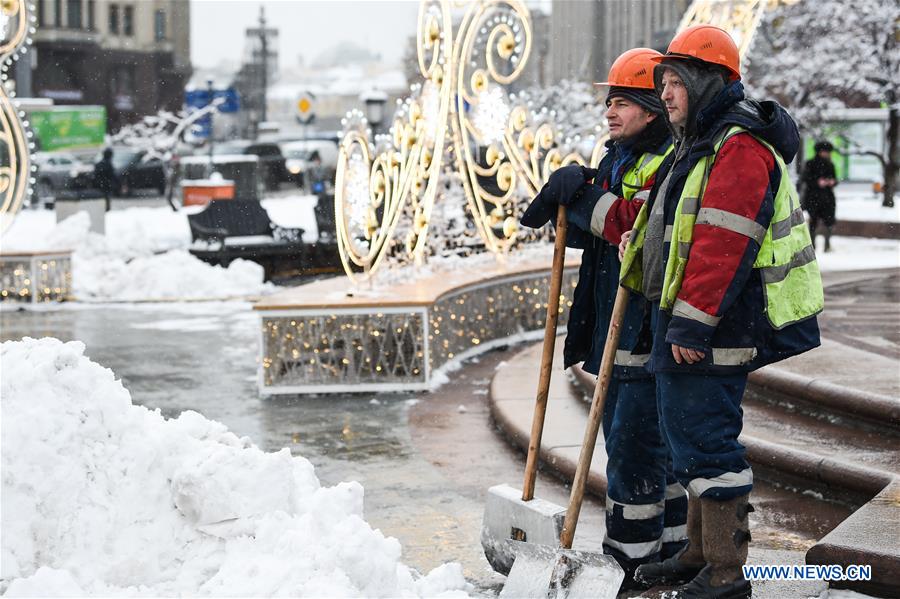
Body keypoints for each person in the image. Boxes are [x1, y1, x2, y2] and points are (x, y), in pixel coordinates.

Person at [613, 25, 824, 599]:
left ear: (707, 83)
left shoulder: (738, 145)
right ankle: (700, 554)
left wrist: (692, 320)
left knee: (707, 439)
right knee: (686, 435)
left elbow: (723, 239)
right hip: (686, 318)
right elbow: (676, 227)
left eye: (677, 82)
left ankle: (729, 572)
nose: (668, 94)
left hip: (715, 325)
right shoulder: (700, 142)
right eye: (664, 83)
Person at [519, 48, 687, 591]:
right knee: (641, 444)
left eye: (622, 102)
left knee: (634, 445)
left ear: (651, 108)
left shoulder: (670, 158)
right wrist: (586, 179)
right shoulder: (623, 155)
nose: (610, 112)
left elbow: (636, 223)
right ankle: (671, 548)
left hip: (641, 325)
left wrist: (588, 196)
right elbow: (615, 198)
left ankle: (631, 558)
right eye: (608, 102)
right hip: (619, 323)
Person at [802, 141, 838, 251]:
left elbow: (835, 179)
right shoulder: (810, 163)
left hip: (827, 198)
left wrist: (832, 182)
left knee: (829, 221)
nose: (827, 154)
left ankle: (827, 245)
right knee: (813, 221)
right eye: (825, 152)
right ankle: (812, 245)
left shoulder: (830, 164)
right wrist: (818, 182)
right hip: (814, 197)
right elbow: (805, 179)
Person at [93, 148, 118, 212]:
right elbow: (112, 175)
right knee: (107, 196)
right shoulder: (108, 164)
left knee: (105, 196)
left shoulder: (99, 163)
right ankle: (107, 208)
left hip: (100, 183)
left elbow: (95, 174)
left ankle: (106, 208)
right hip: (107, 183)